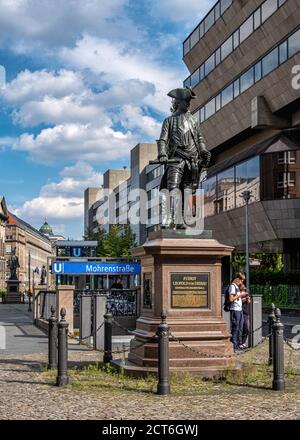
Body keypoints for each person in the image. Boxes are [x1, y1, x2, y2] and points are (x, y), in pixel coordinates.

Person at [157, 86, 211, 228]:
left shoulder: (193, 120)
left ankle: (181, 221)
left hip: (192, 159)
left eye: (189, 101)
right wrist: (162, 154)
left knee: (186, 190)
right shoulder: (169, 120)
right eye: (185, 101)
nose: (188, 104)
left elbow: (199, 138)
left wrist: (204, 150)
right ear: (178, 103)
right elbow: (163, 139)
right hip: (176, 158)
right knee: (173, 188)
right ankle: (169, 219)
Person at [228, 272, 248, 352]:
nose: (241, 282)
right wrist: (240, 295)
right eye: (241, 280)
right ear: (237, 279)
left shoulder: (236, 286)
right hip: (235, 310)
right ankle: (234, 346)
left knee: (240, 328)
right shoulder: (232, 286)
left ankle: (239, 345)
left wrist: (243, 298)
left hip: (239, 309)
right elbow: (231, 299)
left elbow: (236, 299)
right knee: (235, 328)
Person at [241, 284, 251, 349]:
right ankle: (240, 342)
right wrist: (242, 299)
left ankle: (243, 342)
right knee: (240, 328)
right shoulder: (238, 294)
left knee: (247, 328)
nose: (244, 291)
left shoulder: (246, 294)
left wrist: (247, 299)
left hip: (246, 313)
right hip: (239, 311)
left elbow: (249, 302)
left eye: (245, 290)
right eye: (243, 290)